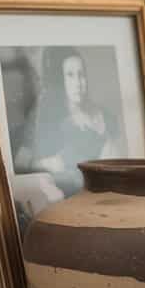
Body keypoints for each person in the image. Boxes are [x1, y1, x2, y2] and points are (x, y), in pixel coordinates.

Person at [30, 47, 125, 196]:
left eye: (82, 75)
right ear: (60, 80)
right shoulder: (51, 122)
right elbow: (34, 168)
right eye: (70, 75)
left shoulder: (105, 116)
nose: (78, 83)